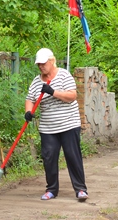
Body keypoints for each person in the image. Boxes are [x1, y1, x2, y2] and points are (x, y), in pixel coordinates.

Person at [25, 48, 88, 202]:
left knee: (72, 156)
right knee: (49, 157)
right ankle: (51, 189)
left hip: (69, 124)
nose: (41, 66)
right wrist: (28, 111)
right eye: (38, 64)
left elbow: (72, 96)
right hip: (48, 127)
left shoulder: (64, 75)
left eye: (43, 63)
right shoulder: (36, 81)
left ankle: (80, 189)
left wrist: (53, 91)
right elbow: (30, 99)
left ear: (51, 61)